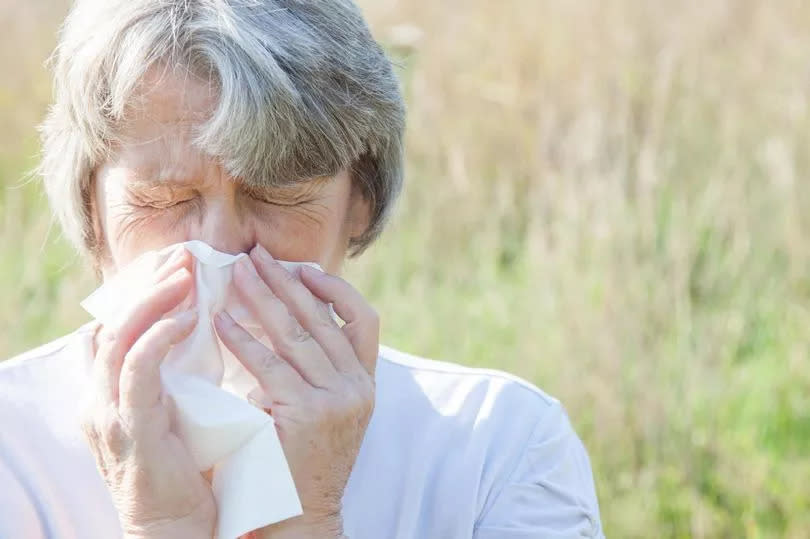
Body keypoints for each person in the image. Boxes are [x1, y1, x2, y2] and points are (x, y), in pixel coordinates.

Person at [0, 1, 604, 537]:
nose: (222, 248)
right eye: (165, 200)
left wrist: (308, 521)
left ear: (359, 204)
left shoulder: (497, 448)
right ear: (92, 209)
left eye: (278, 194)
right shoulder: (14, 450)